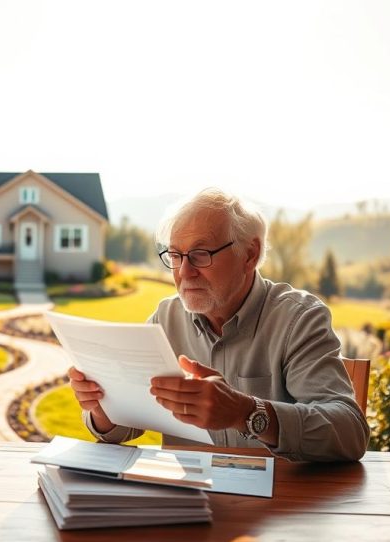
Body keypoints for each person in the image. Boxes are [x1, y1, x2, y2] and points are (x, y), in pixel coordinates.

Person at [68, 188, 369, 462]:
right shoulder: (165, 320)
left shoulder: (298, 319)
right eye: (175, 255)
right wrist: (99, 406)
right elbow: (125, 425)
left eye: (200, 254)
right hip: (190, 505)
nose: (185, 271)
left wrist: (245, 412)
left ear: (249, 254)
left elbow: (349, 432)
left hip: (280, 509)